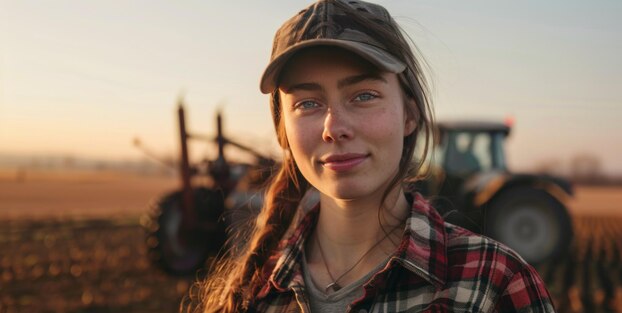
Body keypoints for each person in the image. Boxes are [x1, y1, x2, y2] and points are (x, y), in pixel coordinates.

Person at [184, 0, 555, 312]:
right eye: (308, 103)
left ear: (410, 115)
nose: (334, 127)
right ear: (284, 131)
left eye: (364, 95)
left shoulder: (494, 284)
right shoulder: (256, 291)